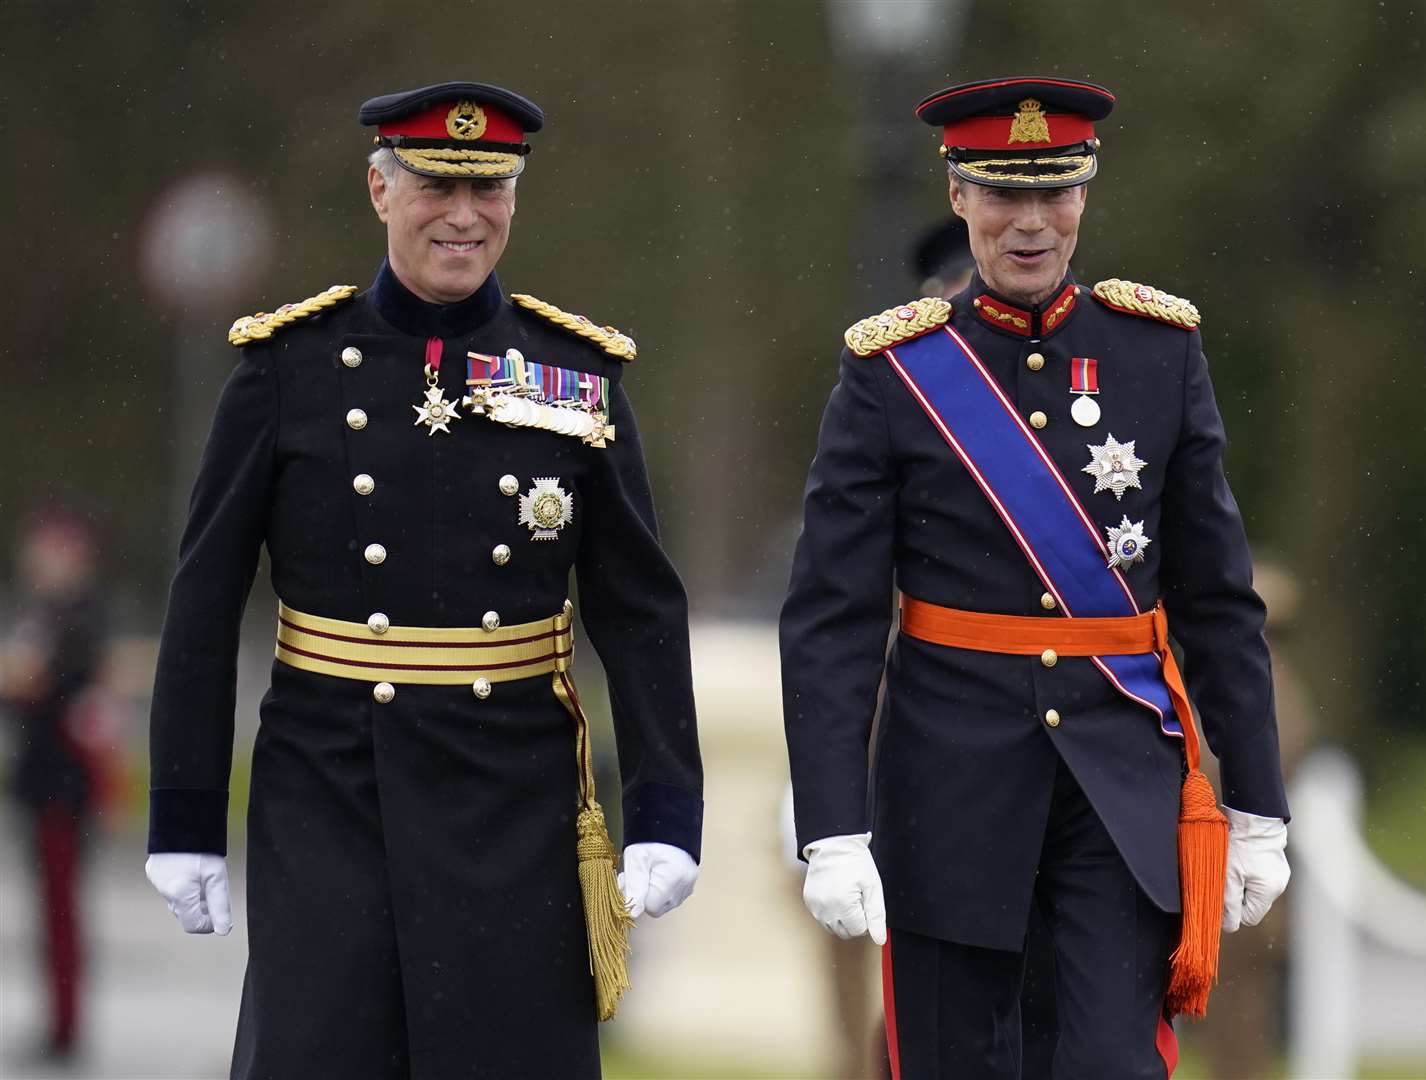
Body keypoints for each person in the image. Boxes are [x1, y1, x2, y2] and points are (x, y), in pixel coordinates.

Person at [143, 82, 704, 1080]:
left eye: (488, 186)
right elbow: (203, 597)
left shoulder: (574, 376)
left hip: (515, 793)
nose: (463, 212)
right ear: (378, 190)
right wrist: (184, 815)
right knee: (320, 1052)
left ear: (514, 200)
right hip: (328, 781)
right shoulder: (287, 370)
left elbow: (638, 607)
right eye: (436, 184)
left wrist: (665, 812)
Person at [780, 77, 1292, 1079]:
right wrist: (830, 824)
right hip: (946, 790)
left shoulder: (1157, 351)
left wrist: (1259, 807)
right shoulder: (891, 372)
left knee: (1110, 1063)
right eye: (1000, 195)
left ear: (1084, 196)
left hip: (1118, 787)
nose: (1028, 223)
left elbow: (1215, 599)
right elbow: (830, 619)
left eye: (1051, 193)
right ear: (958, 197)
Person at [1, 508, 111, 1062]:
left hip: (63, 787)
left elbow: (46, 683)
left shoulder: (81, 615)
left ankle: (66, 1028)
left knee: (63, 911)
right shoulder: (43, 612)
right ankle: (57, 1020)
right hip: (41, 780)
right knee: (49, 912)